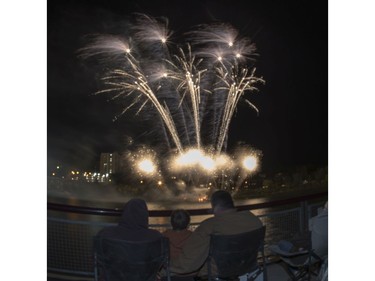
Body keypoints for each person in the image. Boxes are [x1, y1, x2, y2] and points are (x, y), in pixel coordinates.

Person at [170, 190, 263, 277]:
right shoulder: (253, 219)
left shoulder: (209, 226)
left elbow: (188, 263)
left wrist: (164, 268)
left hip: (217, 273)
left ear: (215, 207)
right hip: (248, 268)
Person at [97, 198, 162, 241]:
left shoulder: (106, 234)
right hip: (144, 261)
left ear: (125, 213)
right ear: (145, 215)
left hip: (117, 262)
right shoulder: (155, 237)